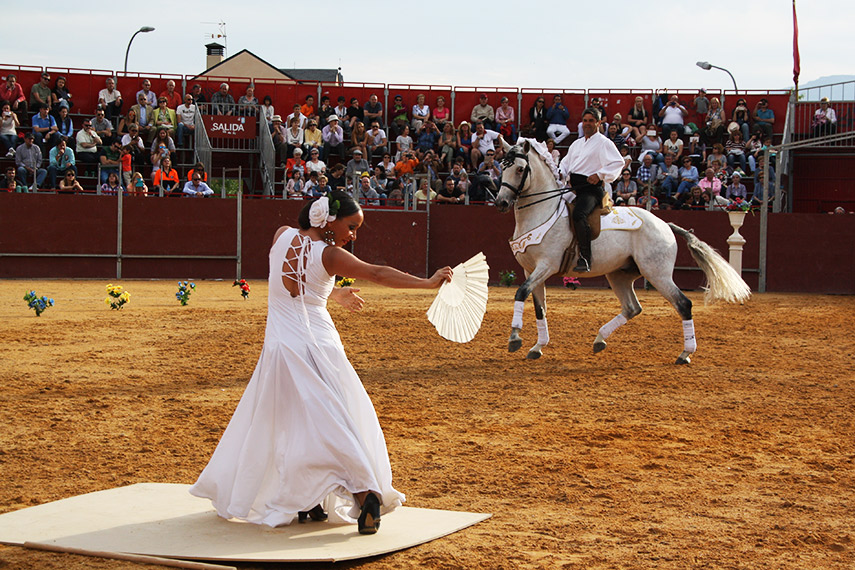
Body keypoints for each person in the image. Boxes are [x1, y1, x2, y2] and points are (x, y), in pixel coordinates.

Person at [190, 191, 452, 532]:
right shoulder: (330, 255)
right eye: (351, 226)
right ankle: (363, 491)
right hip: (319, 344)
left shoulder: (281, 235)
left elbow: (293, 288)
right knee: (335, 419)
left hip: (282, 347)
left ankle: (310, 501)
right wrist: (427, 282)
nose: (353, 235)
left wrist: (331, 294)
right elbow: (377, 273)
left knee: (291, 423)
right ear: (329, 220)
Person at [558, 107, 625, 272]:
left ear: (599, 122)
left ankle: (585, 258)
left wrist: (601, 174)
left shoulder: (604, 142)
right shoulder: (577, 143)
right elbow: (565, 163)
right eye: (585, 121)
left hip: (591, 190)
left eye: (591, 121)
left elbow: (618, 163)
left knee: (579, 214)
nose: (587, 124)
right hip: (574, 189)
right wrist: (561, 172)